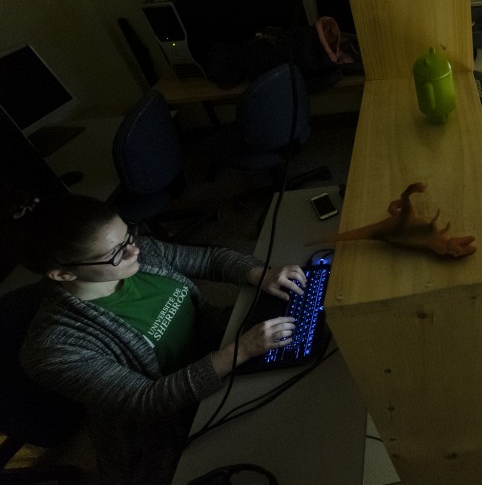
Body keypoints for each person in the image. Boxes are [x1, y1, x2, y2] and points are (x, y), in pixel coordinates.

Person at [9, 193, 308, 484]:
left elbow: (210, 259)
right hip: (167, 425)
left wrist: (261, 274)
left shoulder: (140, 252)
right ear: (62, 275)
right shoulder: (53, 348)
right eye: (115, 253)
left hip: (220, 350)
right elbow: (147, 399)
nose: (133, 251)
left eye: (129, 236)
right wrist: (239, 351)